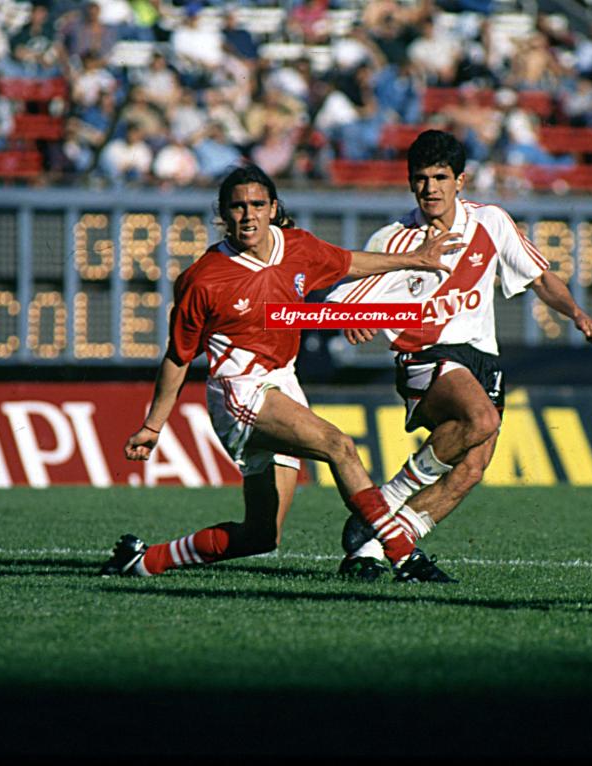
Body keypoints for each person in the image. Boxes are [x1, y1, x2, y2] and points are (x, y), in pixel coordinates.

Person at [99, 165, 463, 582]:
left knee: (261, 536)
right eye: (237, 206)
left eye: (257, 204)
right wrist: (152, 425)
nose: (248, 215)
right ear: (223, 213)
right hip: (240, 392)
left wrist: (415, 258)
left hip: (282, 384)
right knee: (338, 445)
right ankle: (404, 557)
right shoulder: (203, 279)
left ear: (273, 208)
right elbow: (179, 357)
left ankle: (144, 561)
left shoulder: (298, 247)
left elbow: (347, 263)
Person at [326, 130, 592, 581]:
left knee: (472, 468)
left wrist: (576, 313)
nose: (430, 188)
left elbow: (539, 278)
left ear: (461, 180)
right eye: (421, 179)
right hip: (424, 356)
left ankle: (375, 549)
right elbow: (339, 296)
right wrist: (349, 317)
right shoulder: (394, 239)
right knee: (483, 420)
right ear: (409, 183)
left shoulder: (491, 222)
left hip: (481, 360)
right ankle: (388, 498)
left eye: (440, 177)